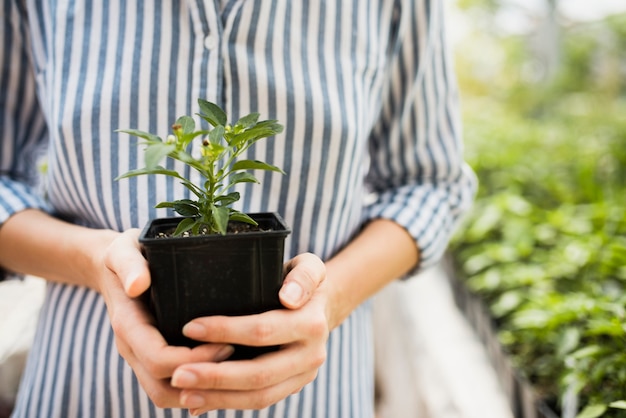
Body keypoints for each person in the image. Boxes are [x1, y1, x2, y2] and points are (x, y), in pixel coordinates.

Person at [0, 1, 476, 417]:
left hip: (316, 398)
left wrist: (330, 299)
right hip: (89, 390)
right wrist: (95, 258)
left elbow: (429, 184)